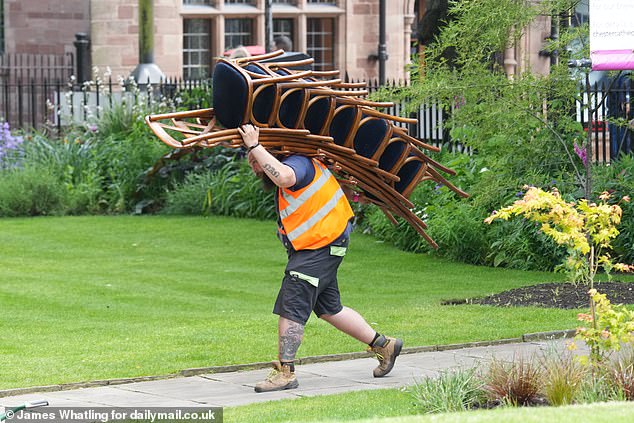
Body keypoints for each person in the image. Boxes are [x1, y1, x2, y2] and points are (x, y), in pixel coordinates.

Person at [237, 124, 403, 393]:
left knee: (292, 302)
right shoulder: (302, 162)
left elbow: (285, 177)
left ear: (274, 152)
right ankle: (384, 344)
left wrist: (255, 146)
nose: (255, 168)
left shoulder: (298, 164)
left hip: (320, 247)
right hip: (323, 245)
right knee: (329, 308)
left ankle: (286, 372)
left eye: (255, 161)